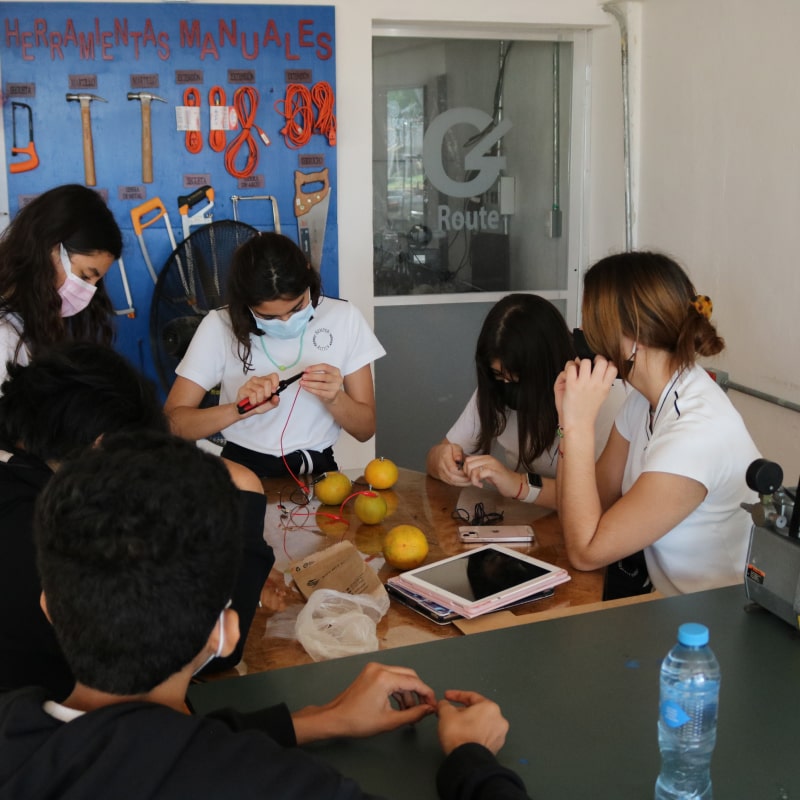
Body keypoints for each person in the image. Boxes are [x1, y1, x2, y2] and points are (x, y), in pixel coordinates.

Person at [0, 430, 532, 800]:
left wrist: (317, 720)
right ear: (224, 633)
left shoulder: (15, 728)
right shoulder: (275, 786)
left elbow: (135, 745)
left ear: (50, 606)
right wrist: (472, 760)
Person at [0, 342, 271, 698]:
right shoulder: (49, 529)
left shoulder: (22, 480)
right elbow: (204, 652)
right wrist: (245, 499)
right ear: (102, 447)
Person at [554, 251, 760, 596]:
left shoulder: (695, 431)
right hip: (669, 606)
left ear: (633, 336)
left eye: (593, 321)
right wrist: (566, 420)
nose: (584, 332)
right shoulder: (642, 403)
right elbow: (583, 507)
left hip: (720, 619)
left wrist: (579, 427)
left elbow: (586, 551)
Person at [165, 232, 386, 479]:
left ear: (308, 275)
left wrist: (335, 398)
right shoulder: (219, 325)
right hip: (243, 472)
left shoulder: (344, 317)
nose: (286, 321)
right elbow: (173, 424)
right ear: (245, 303)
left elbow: (365, 430)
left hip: (320, 472)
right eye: (268, 317)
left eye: (297, 308)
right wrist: (238, 409)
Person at [427, 294, 622, 509]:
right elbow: (441, 453)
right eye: (499, 376)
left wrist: (518, 484)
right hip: (526, 517)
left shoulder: (600, 398)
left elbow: (600, 498)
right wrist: (441, 460)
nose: (508, 386)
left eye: (519, 379)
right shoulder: (495, 390)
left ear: (547, 367)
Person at [0, 184, 122, 385]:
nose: (89, 293)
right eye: (84, 276)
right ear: (49, 250)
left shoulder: (33, 324)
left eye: (97, 282)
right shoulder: (4, 339)